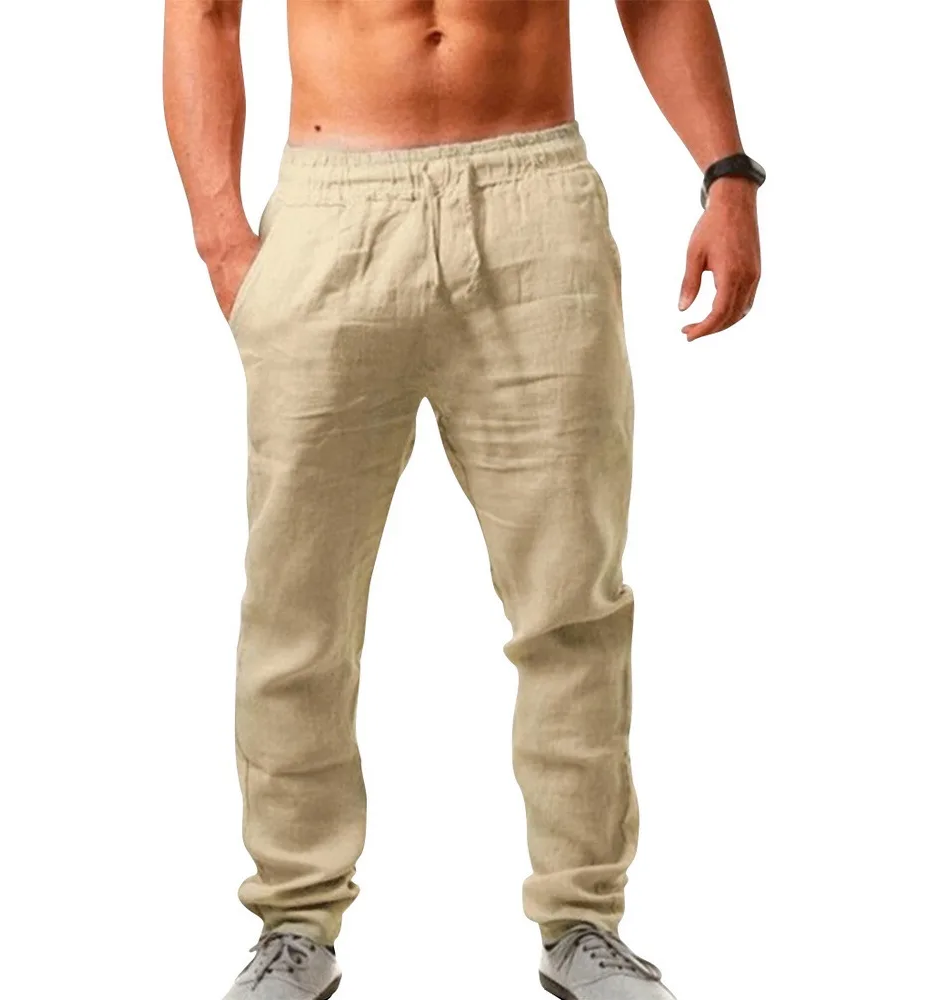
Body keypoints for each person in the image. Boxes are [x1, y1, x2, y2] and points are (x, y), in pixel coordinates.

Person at [163, 2, 763, 998]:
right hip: (333, 206)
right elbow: (204, 12)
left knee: (572, 600)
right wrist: (222, 238)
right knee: (296, 609)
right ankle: (294, 923)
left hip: (534, 201)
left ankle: (583, 922)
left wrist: (726, 172)